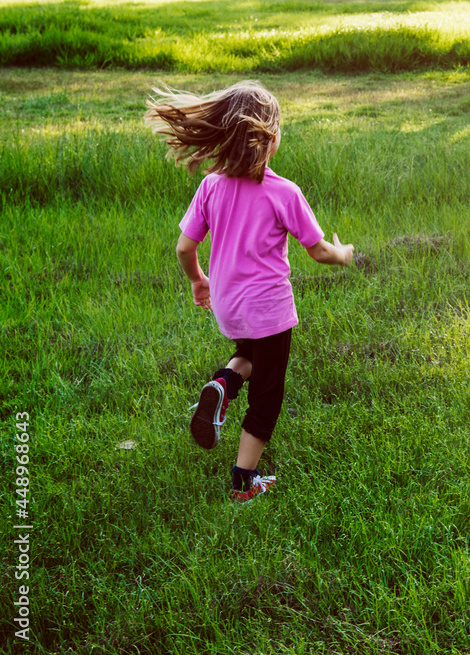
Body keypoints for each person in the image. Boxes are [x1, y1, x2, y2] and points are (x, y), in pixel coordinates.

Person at [145, 81, 354, 502]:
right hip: (270, 309)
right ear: (272, 139)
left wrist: (197, 280)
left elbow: (185, 246)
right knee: (267, 395)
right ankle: (244, 482)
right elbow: (318, 252)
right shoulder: (284, 192)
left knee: (251, 355)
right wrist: (344, 254)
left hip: (228, 305)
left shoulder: (211, 186)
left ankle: (224, 381)